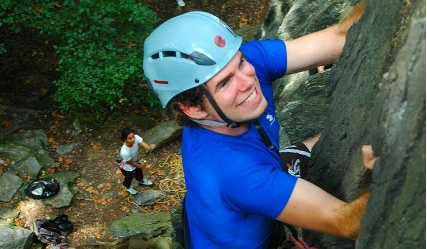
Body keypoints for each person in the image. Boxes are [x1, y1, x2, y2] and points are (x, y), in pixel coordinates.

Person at [143, 1, 368, 248]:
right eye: (225, 83)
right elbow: (348, 222)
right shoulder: (233, 171)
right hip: (254, 232)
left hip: (231, 211)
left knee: (320, 142)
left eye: (240, 62)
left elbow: (341, 36)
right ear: (193, 108)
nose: (248, 79)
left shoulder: (242, 67)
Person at [119, 127, 156, 195]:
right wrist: (144, 167)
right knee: (129, 177)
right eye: (130, 138)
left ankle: (140, 181)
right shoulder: (124, 152)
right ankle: (127, 187)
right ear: (125, 140)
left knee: (139, 172)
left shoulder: (136, 137)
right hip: (127, 167)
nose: (133, 139)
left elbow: (145, 146)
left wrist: (150, 147)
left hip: (135, 161)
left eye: (133, 137)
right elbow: (132, 164)